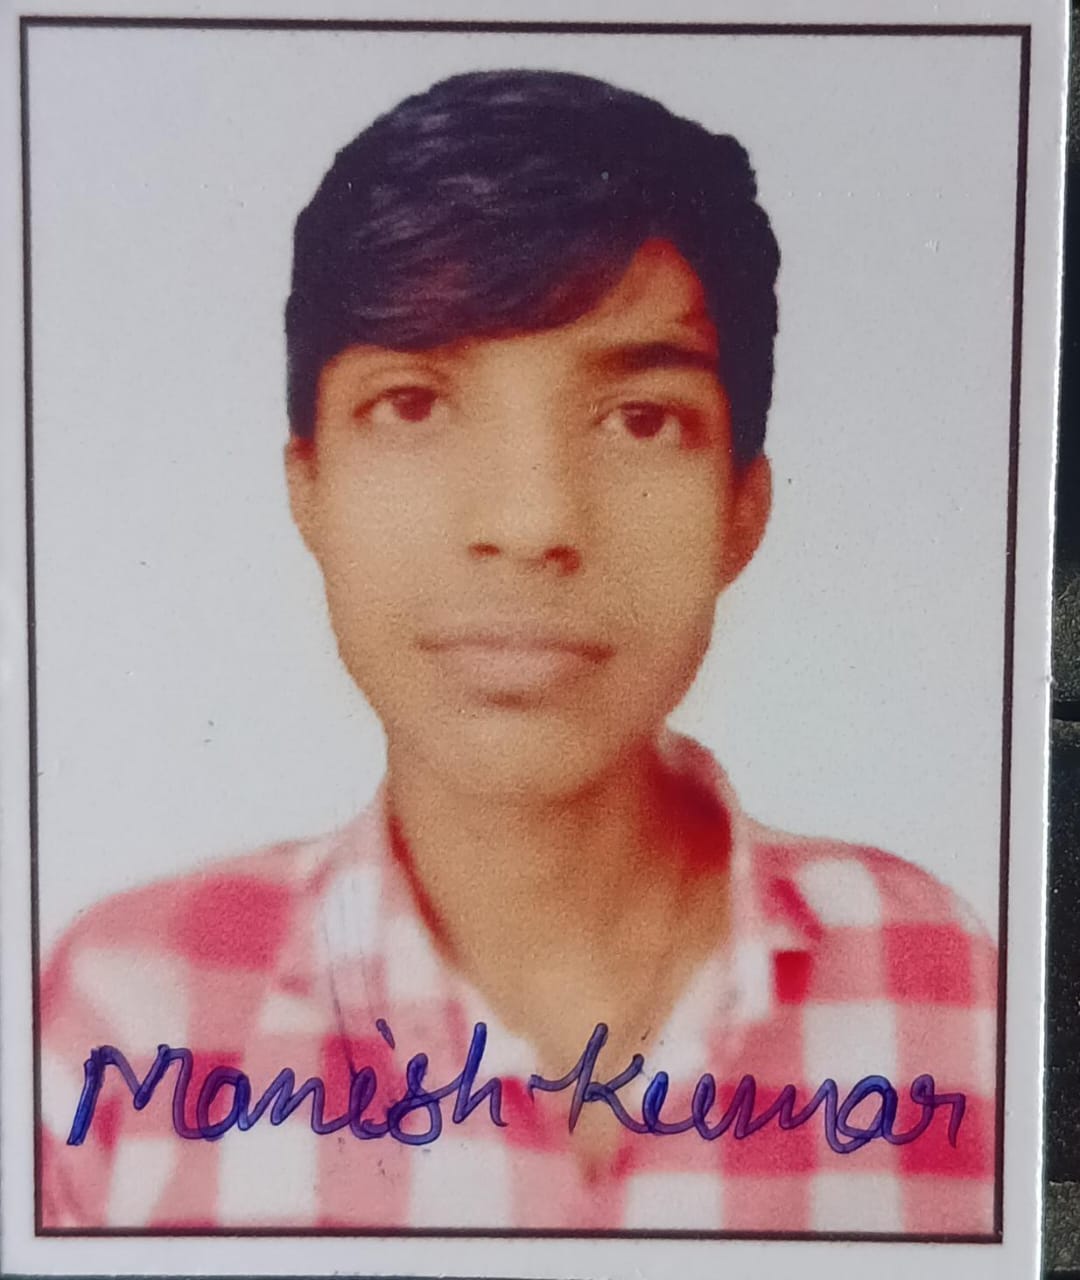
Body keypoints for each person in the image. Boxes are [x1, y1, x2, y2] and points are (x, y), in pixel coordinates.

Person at [39, 68, 996, 1235]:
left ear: (743, 507)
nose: (533, 521)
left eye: (640, 418)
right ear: (309, 487)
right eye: (414, 403)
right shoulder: (121, 1015)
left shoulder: (948, 986)